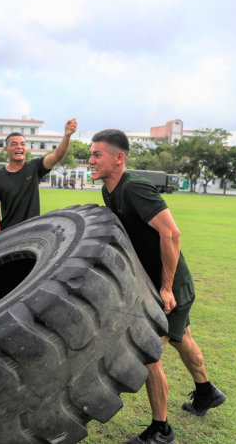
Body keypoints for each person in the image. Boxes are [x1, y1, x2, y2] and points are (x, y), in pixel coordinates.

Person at [88, 129, 226, 444]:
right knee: (182, 339)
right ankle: (207, 392)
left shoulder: (134, 187)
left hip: (172, 287)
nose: (91, 160)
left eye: (97, 154)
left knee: (148, 353)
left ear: (118, 158)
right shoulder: (110, 190)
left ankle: (161, 430)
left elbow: (172, 234)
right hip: (161, 285)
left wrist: (166, 288)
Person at [0, 118, 77, 233]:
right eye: (14, 144)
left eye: (22, 144)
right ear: (6, 149)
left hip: (33, 233)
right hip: (7, 233)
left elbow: (57, 156)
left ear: (26, 148)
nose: (19, 147)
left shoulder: (34, 167)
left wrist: (67, 136)